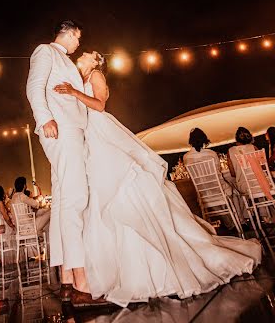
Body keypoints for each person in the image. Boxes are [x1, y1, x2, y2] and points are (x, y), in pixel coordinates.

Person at [54, 51, 262, 308]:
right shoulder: (79, 76)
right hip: (90, 139)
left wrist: (74, 93)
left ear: (97, 62)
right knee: (101, 196)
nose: (84, 53)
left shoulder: (96, 75)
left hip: (103, 136)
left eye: (89, 54)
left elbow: (99, 105)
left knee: (122, 187)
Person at [27, 20, 105, 307]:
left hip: (68, 131)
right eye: (78, 38)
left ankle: (67, 278)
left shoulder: (67, 62)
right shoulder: (46, 51)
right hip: (61, 130)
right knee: (76, 199)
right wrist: (44, 118)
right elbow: (34, 87)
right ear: (69, 33)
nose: (78, 45)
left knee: (62, 204)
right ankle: (83, 284)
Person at [227, 127, 258, 195]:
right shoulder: (254, 148)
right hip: (261, 183)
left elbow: (233, 174)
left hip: (245, 186)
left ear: (236, 138)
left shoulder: (230, 151)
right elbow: (263, 168)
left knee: (233, 187)